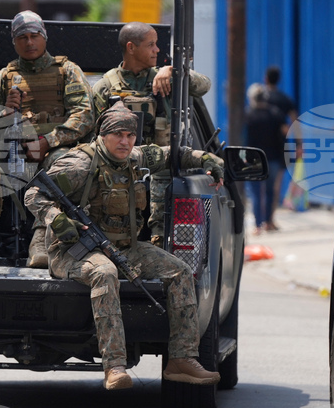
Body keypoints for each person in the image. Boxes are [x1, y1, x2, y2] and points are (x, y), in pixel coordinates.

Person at [24, 102, 224, 390]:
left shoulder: (134, 157)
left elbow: (172, 154)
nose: (125, 142)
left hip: (123, 248)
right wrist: (57, 219)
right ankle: (114, 365)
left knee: (179, 271)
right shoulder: (79, 165)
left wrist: (206, 159)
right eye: (118, 135)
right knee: (104, 273)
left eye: (130, 136)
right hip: (75, 251)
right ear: (103, 135)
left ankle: (182, 359)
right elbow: (34, 193)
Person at [0, 10, 93, 268]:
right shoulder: (4, 78)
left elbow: (84, 116)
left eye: (34, 36)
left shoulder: (67, 71)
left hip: (56, 148)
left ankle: (42, 240)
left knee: (62, 168)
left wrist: (47, 142)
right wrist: (4, 113)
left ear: (44, 37)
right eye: (22, 38)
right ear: (14, 42)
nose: (29, 42)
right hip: (12, 150)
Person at [91, 22, 212, 247]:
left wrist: (174, 70)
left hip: (160, 164)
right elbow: (93, 135)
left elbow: (204, 85)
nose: (157, 50)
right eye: (151, 45)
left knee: (166, 182)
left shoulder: (166, 79)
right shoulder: (105, 86)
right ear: (131, 47)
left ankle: (159, 241)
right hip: (119, 164)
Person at [261, 66, 298, 229]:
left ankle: (261, 218)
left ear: (266, 79)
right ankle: (270, 220)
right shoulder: (285, 99)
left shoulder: (261, 98)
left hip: (261, 146)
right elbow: (295, 122)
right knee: (275, 185)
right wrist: (299, 144)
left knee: (261, 185)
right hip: (280, 147)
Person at [245, 83, 284, 234]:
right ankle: (268, 221)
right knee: (270, 191)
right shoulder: (275, 114)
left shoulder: (248, 115)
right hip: (273, 158)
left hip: (254, 159)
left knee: (256, 193)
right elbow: (283, 135)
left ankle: (257, 225)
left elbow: (243, 139)